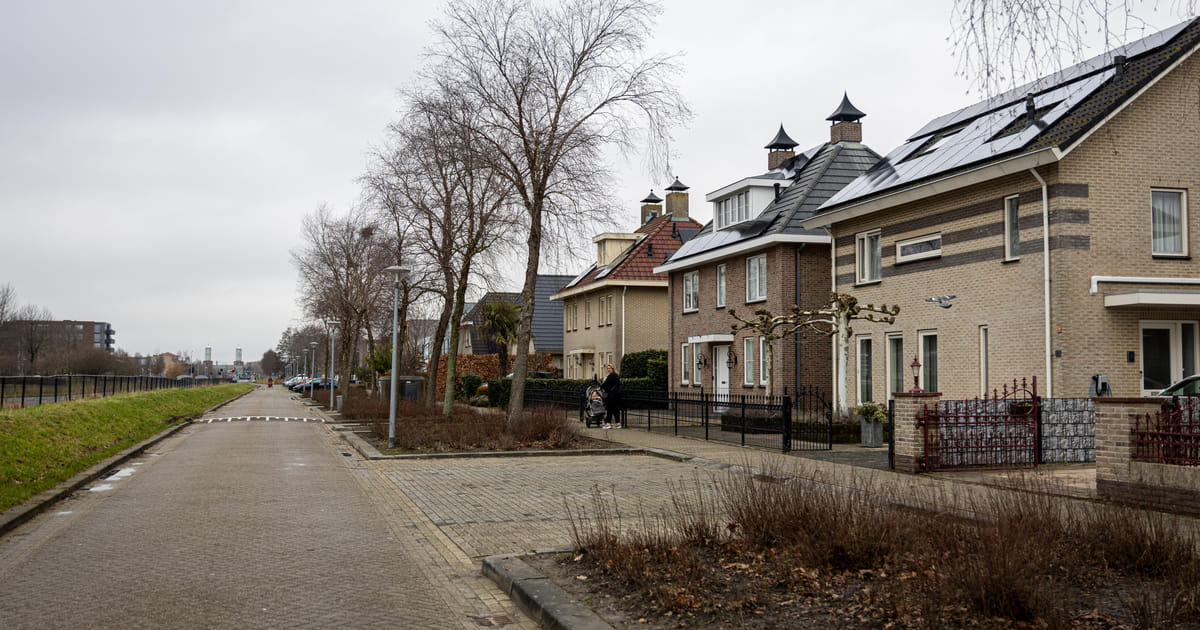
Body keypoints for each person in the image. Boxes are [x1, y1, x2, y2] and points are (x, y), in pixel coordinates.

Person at [600, 363, 622, 429]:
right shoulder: (616, 375)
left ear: (612, 369)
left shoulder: (611, 375)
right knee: (615, 409)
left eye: (609, 368)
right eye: (607, 368)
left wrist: (600, 387)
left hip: (612, 395)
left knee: (609, 408)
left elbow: (606, 383)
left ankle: (608, 423)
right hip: (616, 395)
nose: (608, 370)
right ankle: (618, 423)